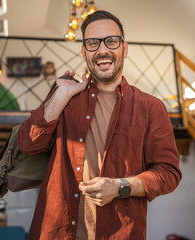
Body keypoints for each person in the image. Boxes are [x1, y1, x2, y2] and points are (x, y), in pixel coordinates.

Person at [18, 10, 181, 240]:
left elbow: (168, 173)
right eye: (93, 43)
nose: (102, 50)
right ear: (84, 52)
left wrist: (120, 186)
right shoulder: (65, 99)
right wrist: (59, 94)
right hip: (56, 232)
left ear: (125, 48)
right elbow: (28, 144)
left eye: (111, 41)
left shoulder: (151, 107)